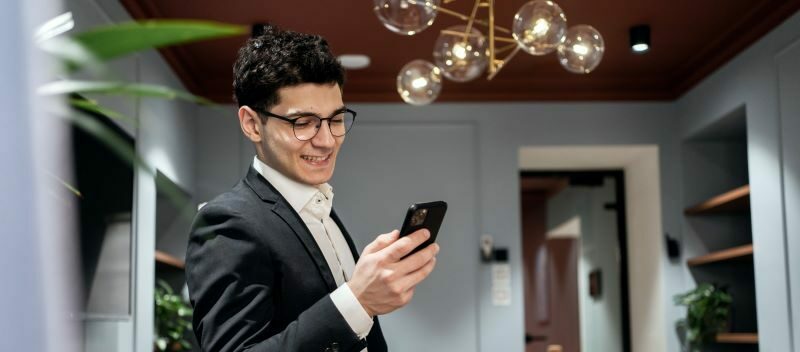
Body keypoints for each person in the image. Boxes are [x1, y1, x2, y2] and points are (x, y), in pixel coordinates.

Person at [185, 24, 440, 352]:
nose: (326, 140)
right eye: (302, 123)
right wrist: (358, 301)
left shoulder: (321, 208)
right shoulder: (227, 223)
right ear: (251, 124)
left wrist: (365, 292)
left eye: (336, 119)